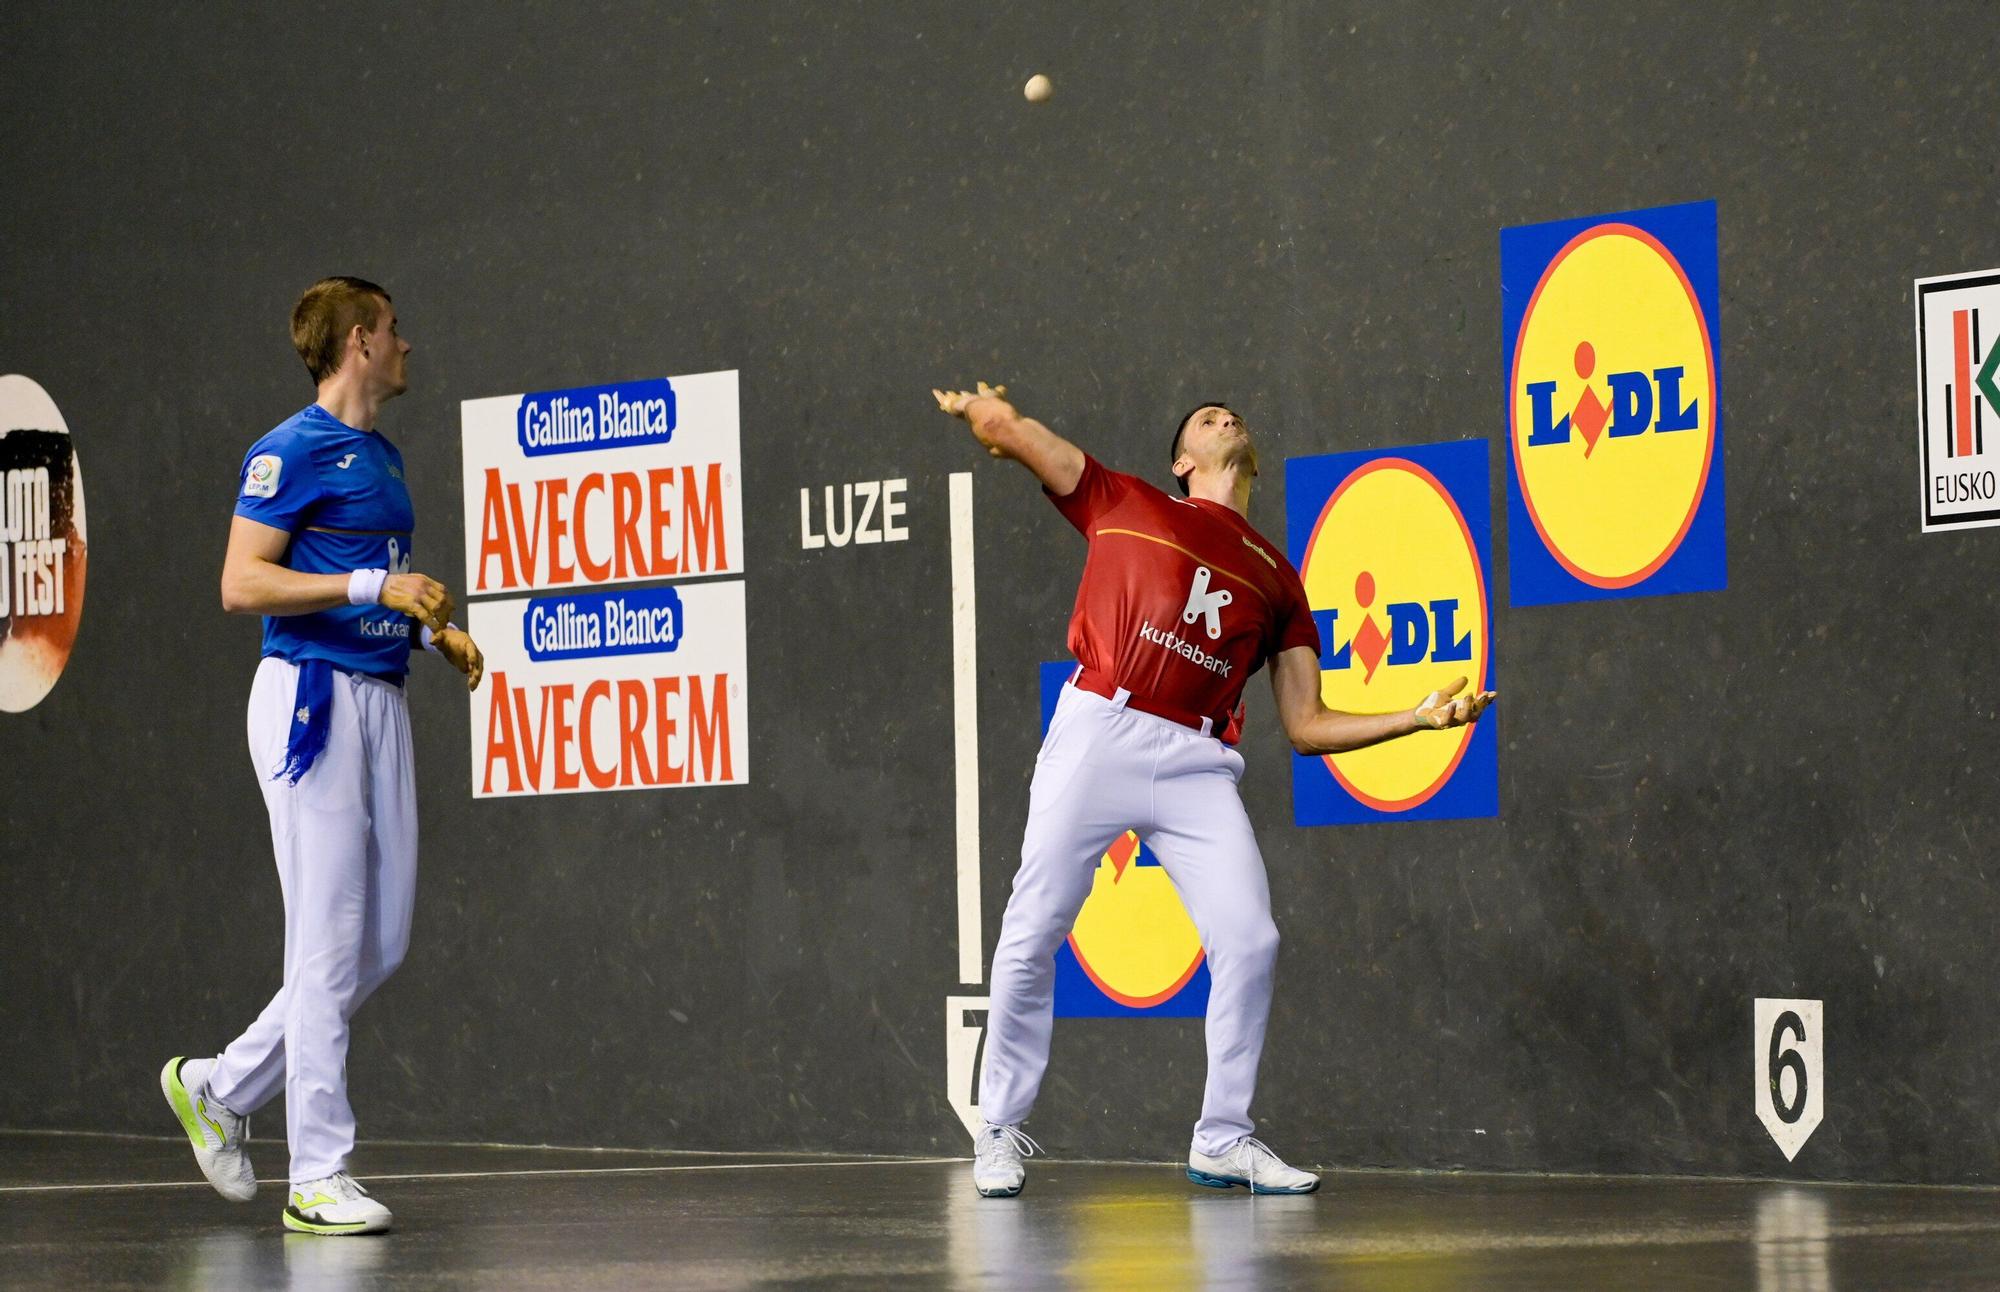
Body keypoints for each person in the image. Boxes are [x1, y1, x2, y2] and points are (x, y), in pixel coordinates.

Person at [932, 382, 1495, 1197]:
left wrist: (1415, 718)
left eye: (1233, 414)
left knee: (1251, 938)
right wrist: (990, 418)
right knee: (1033, 927)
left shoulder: (1278, 577)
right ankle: (1000, 1128)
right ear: (1181, 460)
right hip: (1101, 730)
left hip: (1197, 761)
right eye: (1204, 417)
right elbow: (1028, 443)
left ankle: (1223, 1138)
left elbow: (1306, 725)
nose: (1225, 415)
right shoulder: (1120, 498)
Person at [161, 277, 483, 1235]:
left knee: (375, 943)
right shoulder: (288, 452)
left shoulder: (382, 459)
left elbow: (373, 593)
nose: (407, 346)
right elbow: (240, 582)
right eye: (394, 331)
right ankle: (317, 1173)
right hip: (311, 699)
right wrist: (375, 582)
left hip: (382, 698)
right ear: (357, 342)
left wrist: (428, 634)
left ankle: (218, 1089)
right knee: (326, 942)